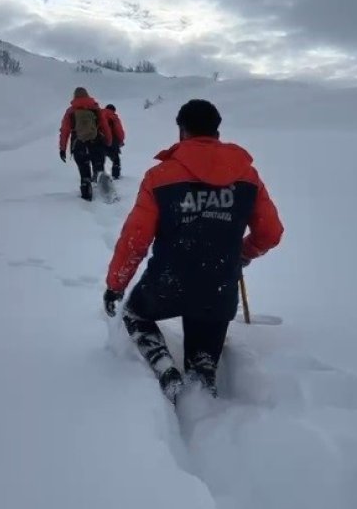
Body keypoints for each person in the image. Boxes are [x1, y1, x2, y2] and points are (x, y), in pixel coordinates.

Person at [101, 99, 284, 402]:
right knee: (203, 354)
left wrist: (115, 285)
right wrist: (244, 253)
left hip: (167, 282)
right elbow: (271, 232)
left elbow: (135, 239)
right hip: (220, 286)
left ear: (182, 131)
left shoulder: (159, 177)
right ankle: (202, 389)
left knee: (134, 314)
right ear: (216, 130)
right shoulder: (248, 176)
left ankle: (162, 364)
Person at [58, 87, 114, 201]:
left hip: (78, 145)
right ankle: (107, 194)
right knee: (99, 169)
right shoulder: (95, 108)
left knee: (84, 172)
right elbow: (104, 125)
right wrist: (108, 140)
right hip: (96, 142)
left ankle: (87, 197)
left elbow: (64, 131)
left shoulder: (70, 111)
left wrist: (62, 149)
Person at [104, 104, 126, 180]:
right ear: (113, 110)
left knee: (99, 160)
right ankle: (115, 175)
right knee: (116, 159)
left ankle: (97, 175)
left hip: (98, 141)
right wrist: (121, 140)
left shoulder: (98, 115)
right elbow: (118, 130)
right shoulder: (113, 117)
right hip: (112, 141)